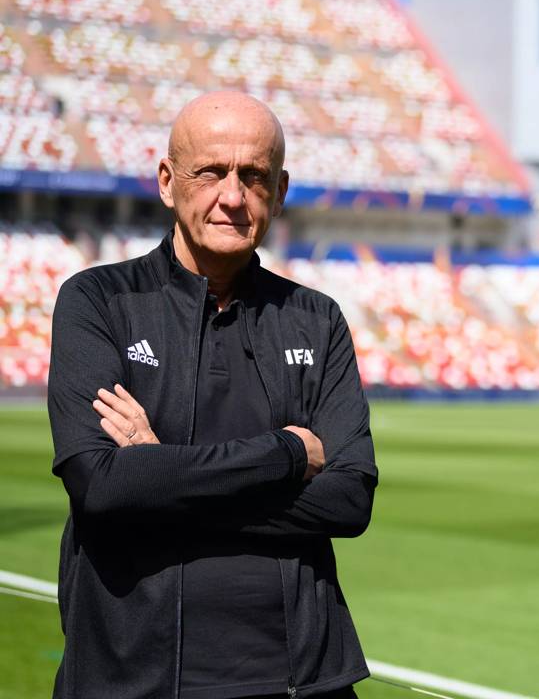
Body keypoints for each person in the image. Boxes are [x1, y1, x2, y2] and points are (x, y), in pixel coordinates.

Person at [48, 91, 378, 699]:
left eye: (253, 177)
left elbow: (349, 500)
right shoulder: (98, 302)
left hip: (303, 681)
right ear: (169, 182)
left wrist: (160, 471)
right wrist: (283, 456)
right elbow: (102, 487)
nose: (232, 196)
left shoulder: (316, 319)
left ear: (279, 192)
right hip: (132, 679)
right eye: (211, 173)